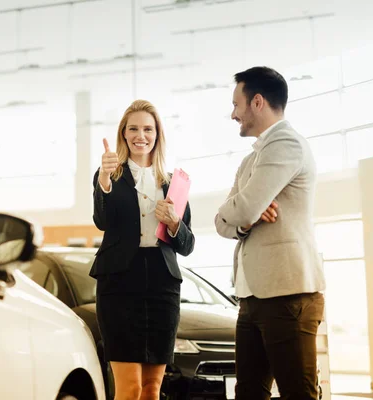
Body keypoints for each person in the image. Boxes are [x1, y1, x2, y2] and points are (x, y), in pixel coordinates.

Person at [214, 66, 326, 400]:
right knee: (249, 392)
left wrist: (242, 210)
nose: (233, 114)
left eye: (237, 105)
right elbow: (223, 222)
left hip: (287, 295)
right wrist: (244, 219)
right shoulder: (251, 161)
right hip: (252, 297)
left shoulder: (286, 144)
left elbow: (241, 207)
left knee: (297, 393)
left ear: (257, 102)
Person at [90, 99, 195, 400]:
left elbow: (187, 246)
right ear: (123, 134)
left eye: (148, 129)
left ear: (157, 134)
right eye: (133, 128)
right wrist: (104, 180)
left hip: (162, 287)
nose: (141, 135)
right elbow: (101, 220)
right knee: (130, 387)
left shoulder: (175, 183)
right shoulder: (110, 175)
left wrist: (174, 222)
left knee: (151, 389)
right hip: (119, 285)